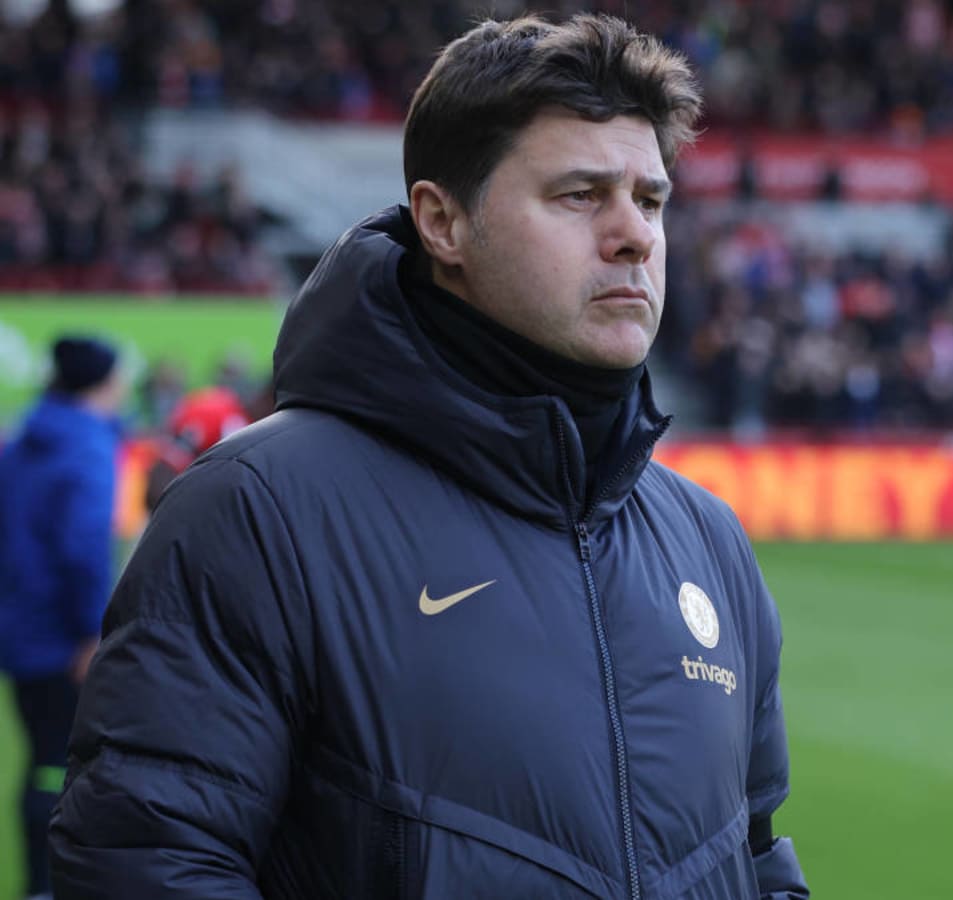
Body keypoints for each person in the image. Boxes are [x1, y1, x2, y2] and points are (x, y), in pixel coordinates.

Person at [51, 14, 807, 899]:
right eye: (578, 195)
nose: (634, 235)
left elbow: (755, 861)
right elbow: (145, 867)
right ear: (442, 223)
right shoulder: (256, 511)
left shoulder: (708, 540)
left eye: (649, 199)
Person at [0, 336, 124, 900]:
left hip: (20, 630)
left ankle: (35, 883)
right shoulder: (87, 447)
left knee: (42, 760)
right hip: (62, 638)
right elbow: (83, 549)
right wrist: (90, 631)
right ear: (102, 382)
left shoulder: (22, 440)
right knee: (67, 768)